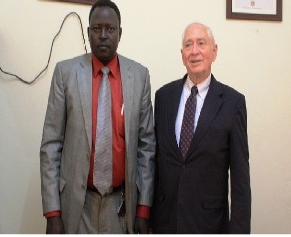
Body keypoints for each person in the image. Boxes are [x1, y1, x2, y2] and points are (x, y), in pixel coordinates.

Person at [40, 0, 155, 234]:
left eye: (110, 29)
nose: (103, 35)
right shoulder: (66, 73)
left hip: (121, 206)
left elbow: (147, 147)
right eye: (97, 28)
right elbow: (51, 146)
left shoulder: (139, 77)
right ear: (88, 32)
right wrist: (53, 214)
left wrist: (143, 210)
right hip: (76, 204)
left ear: (120, 33)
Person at [151, 22, 251, 234]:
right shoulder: (163, 97)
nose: (194, 51)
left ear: (214, 51)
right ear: (182, 54)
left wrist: (239, 230)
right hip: (165, 222)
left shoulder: (233, 103)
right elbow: (155, 163)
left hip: (209, 224)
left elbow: (240, 178)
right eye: (188, 45)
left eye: (201, 43)